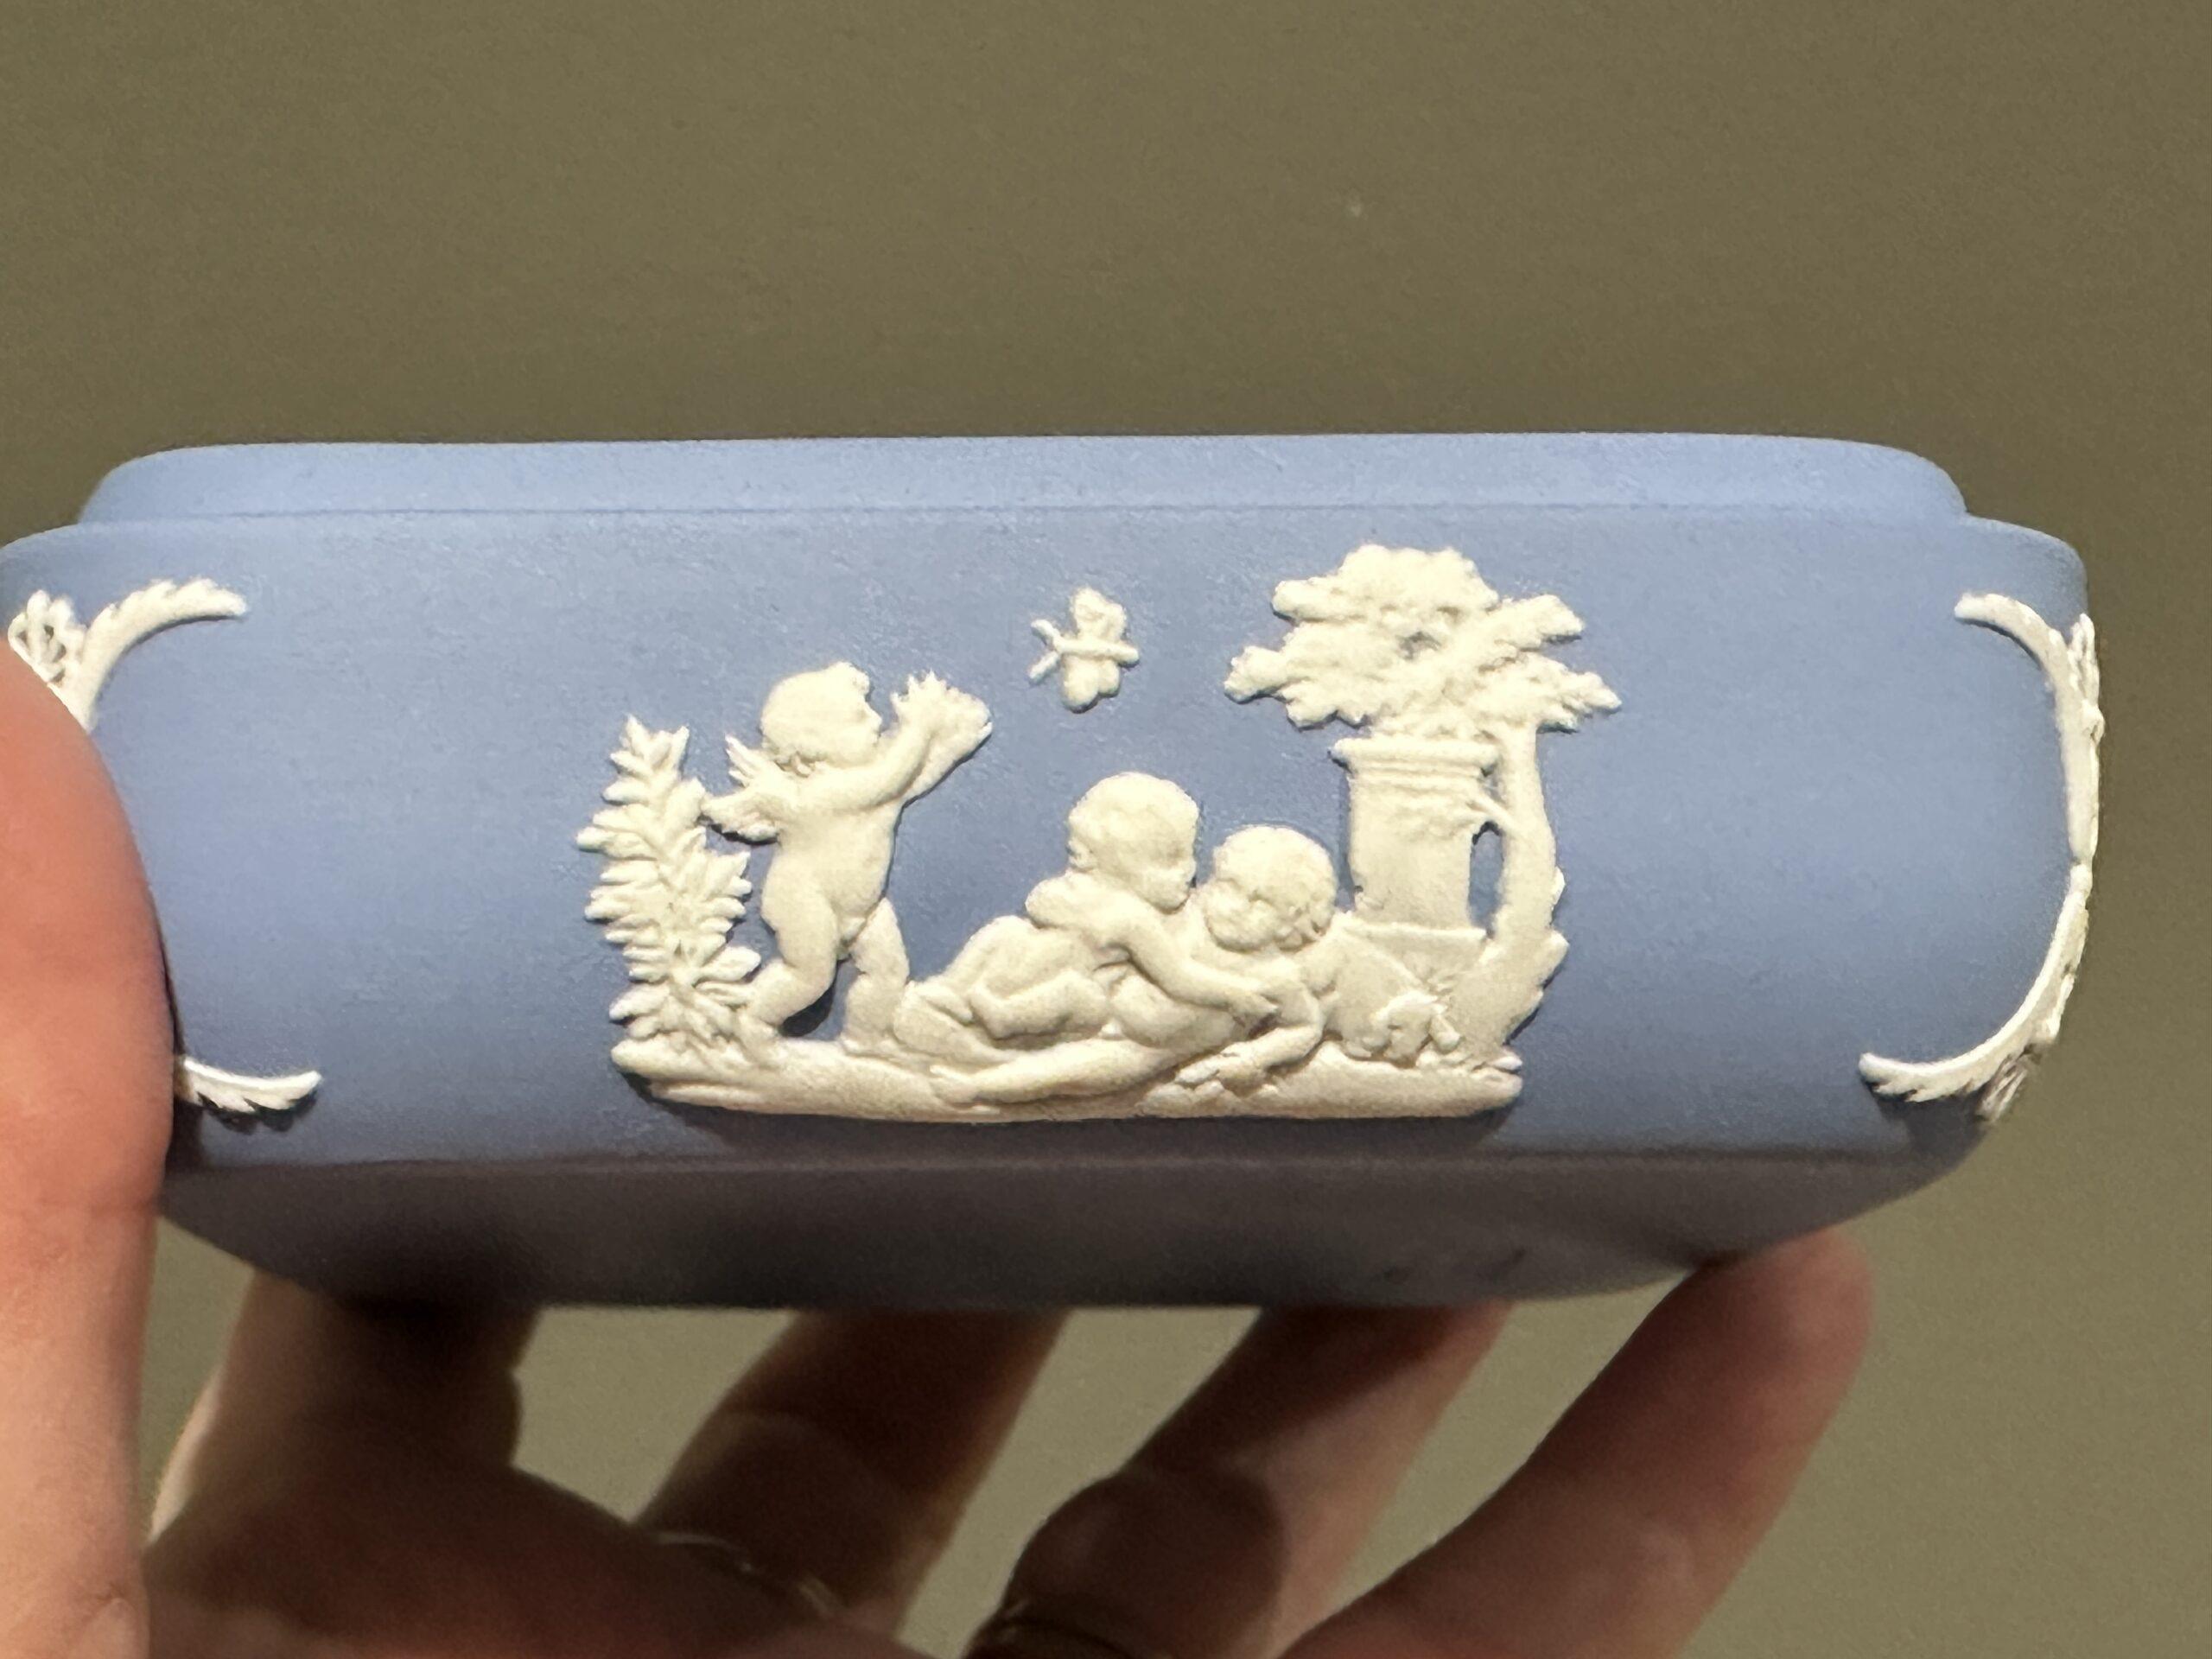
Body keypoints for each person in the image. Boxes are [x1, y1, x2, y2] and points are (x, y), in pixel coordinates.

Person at [0, 649, 1874, 1658]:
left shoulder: (1170, 928)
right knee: (930, 987)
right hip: (991, 988)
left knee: (955, 995)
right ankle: (916, 1040)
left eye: (1190, 866)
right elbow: (1101, 953)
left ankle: (921, 1040)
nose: (1176, 876)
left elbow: (1150, 968)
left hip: (1046, 1001)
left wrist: (1111, 929)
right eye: (1171, 860)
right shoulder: (1102, 907)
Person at [706, 663, 990, 1064]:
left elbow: (908, 782)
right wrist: (919, 728)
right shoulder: (824, 792)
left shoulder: (868, 791)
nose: (876, 721)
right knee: (809, 977)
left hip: (863, 908)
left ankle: (864, 1038)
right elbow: (892, 777)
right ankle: (753, 1023)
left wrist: (951, 746)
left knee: (889, 973)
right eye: (859, 717)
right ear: (813, 747)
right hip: (807, 903)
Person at [893, 773, 1274, 1071]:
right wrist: (1236, 994)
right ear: (1134, 861)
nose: (1190, 872)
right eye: (1174, 858)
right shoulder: (1131, 918)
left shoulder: (1066, 891)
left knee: (1003, 930)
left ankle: (953, 989)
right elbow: (1178, 978)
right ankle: (1004, 1019)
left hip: (1007, 965)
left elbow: (1038, 903)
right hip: (1036, 989)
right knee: (1086, 999)